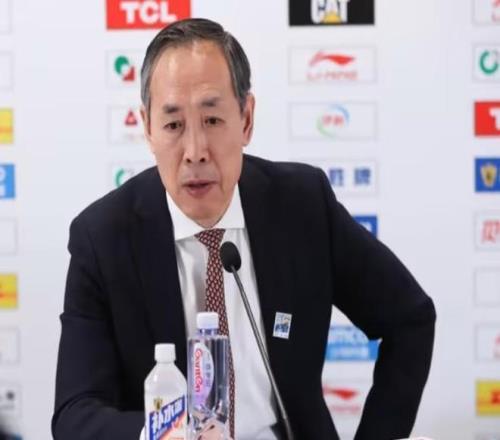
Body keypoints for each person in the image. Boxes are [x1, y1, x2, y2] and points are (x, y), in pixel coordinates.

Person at [52, 18, 436, 440]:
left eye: (213, 120)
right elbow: (75, 414)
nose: (195, 152)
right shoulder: (103, 238)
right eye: (174, 125)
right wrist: (169, 434)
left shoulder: (303, 205)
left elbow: (409, 318)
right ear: (147, 128)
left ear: (246, 119)